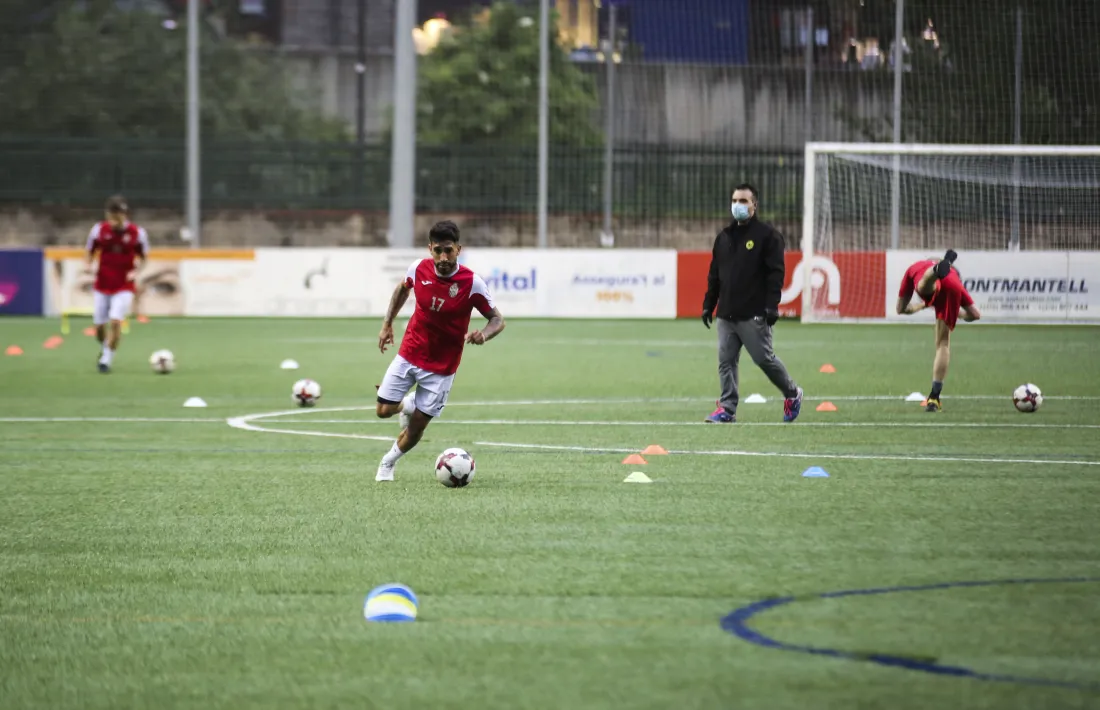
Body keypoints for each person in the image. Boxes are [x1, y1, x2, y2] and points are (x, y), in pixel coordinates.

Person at [374, 220, 506, 482]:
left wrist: (484, 335)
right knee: (383, 411)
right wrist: (387, 324)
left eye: (449, 250)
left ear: (459, 249)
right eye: (438, 251)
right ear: (429, 249)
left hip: (442, 369)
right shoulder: (418, 268)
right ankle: (407, 404)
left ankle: (387, 463)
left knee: (417, 427)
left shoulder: (472, 283)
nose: (443, 257)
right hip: (410, 353)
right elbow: (402, 288)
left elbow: (497, 320)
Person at [701, 183, 803, 423]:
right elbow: (715, 274)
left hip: (754, 312)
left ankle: (792, 393)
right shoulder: (723, 238)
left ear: (754, 206)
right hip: (726, 314)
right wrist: (709, 303)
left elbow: (775, 274)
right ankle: (727, 408)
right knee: (725, 362)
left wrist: (771, 306)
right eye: (735, 200)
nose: (738, 205)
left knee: (764, 359)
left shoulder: (768, 237)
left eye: (744, 201)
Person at [896, 249, 982, 411]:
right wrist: (954, 313)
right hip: (952, 286)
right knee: (943, 344)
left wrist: (921, 305)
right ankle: (934, 397)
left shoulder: (915, 267)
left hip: (928, 277)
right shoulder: (955, 278)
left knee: (924, 285)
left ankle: (933, 273)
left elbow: (901, 309)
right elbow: (975, 315)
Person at [85, 195, 148, 372]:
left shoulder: (137, 233)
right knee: (99, 327)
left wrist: (137, 271)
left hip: (124, 286)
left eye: (116, 216)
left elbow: (143, 258)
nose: (112, 220)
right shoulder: (99, 230)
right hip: (102, 283)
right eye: (110, 216)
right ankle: (105, 347)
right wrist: (88, 265)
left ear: (124, 215)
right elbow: (90, 251)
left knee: (115, 321)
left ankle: (106, 360)